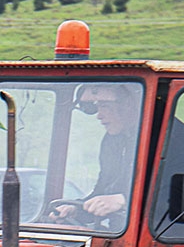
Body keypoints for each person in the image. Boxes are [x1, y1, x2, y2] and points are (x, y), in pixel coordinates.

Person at [51, 84, 138, 228]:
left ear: (128, 104)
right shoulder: (113, 140)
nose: (99, 115)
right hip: (118, 233)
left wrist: (124, 201)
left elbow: (176, 199)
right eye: (97, 107)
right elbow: (103, 190)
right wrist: (77, 210)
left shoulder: (173, 139)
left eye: (104, 106)